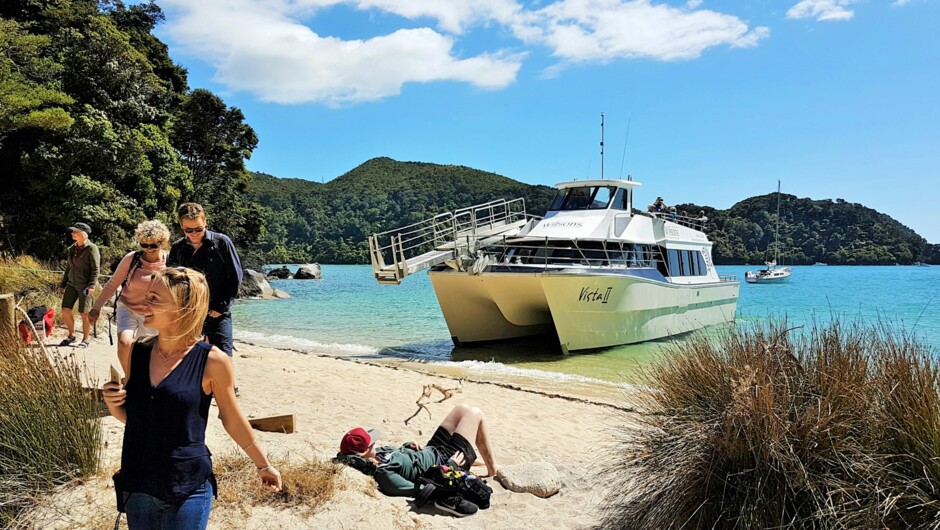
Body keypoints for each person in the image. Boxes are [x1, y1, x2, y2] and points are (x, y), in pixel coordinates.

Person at [102, 267, 281, 529]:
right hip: (138, 481)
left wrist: (263, 465)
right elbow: (133, 418)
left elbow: (232, 419)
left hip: (187, 485)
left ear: (182, 308)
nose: (144, 304)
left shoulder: (212, 360)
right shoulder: (138, 352)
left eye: (154, 299)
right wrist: (113, 401)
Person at [337, 404, 499, 500]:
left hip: (433, 448)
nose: (375, 443)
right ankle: (493, 471)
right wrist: (450, 466)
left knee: (461, 408)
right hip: (444, 462)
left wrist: (409, 445)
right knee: (475, 414)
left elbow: (399, 451)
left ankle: (482, 462)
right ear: (362, 453)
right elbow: (421, 488)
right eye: (371, 443)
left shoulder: (377, 453)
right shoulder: (384, 473)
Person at [89, 220, 170, 375]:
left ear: (162, 242)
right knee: (124, 342)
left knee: (153, 351)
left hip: (155, 314)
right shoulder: (132, 259)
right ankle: (129, 379)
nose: (149, 249)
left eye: (153, 245)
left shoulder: (170, 262)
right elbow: (113, 284)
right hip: (128, 308)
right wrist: (96, 307)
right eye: (144, 245)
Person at [168, 203, 243, 357]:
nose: (194, 233)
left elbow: (235, 276)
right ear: (181, 226)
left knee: (223, 359)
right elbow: (171, 281)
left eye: (198, 228)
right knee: (186, 360)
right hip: (188, 313)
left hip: (217, 313)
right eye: (188, 230)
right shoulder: (177, 248)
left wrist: (221, 306)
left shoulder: (222, 242)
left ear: (205, 222)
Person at [58, 222, 100, 348]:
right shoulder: (72, 248)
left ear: (83, 233)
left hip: (85, 286)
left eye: (75, 231)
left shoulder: (92, 248)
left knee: (84, 313)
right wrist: (63, 284)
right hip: (71, 284)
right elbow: (68, 268)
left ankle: (86, 339)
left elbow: (96, 269)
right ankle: (72, 335)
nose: (72, 233)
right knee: (65, 310)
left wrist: (92, 285)